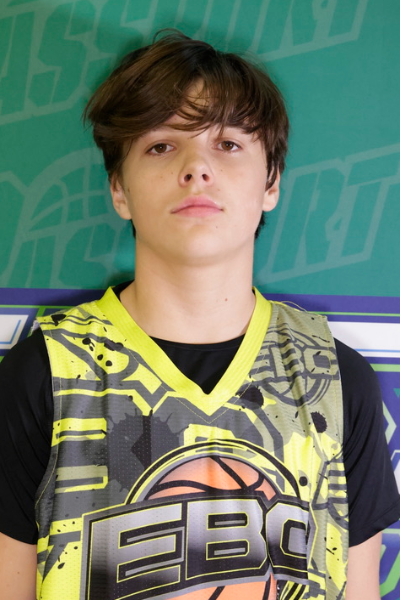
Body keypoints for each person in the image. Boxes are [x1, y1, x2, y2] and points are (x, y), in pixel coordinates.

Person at [0, 31, 399, 600]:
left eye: (228, 143)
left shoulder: (334, 382)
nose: (197, 168)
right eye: (162, 145)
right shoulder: (43, 376)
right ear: (119, 189)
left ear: (271, 182)